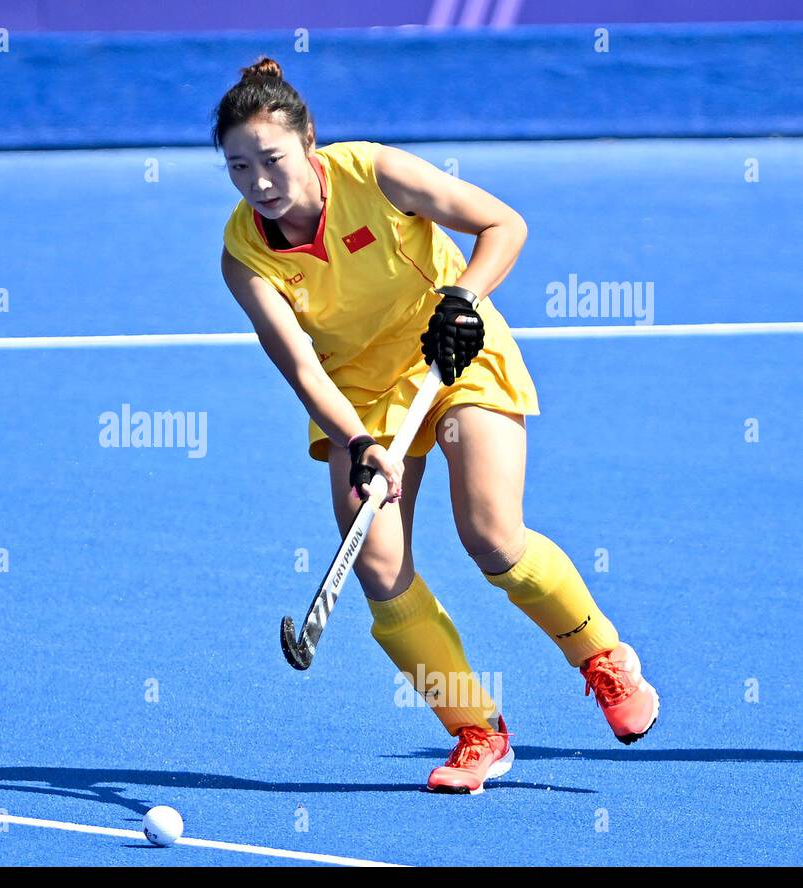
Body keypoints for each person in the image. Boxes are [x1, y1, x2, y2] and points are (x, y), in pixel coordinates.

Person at [215, 56, 659, 794]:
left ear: (309, 143)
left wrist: (463, 297)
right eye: (238, 167)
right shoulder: (243, 255)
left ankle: (602, 657)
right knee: (380, 567)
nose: (260, 183)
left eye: (272, 160)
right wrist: (357, 441)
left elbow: (502, 224)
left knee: (490, 536)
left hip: (449, 355)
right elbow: (302, 368)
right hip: (356, 395)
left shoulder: (374, 172)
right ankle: (477, 730)